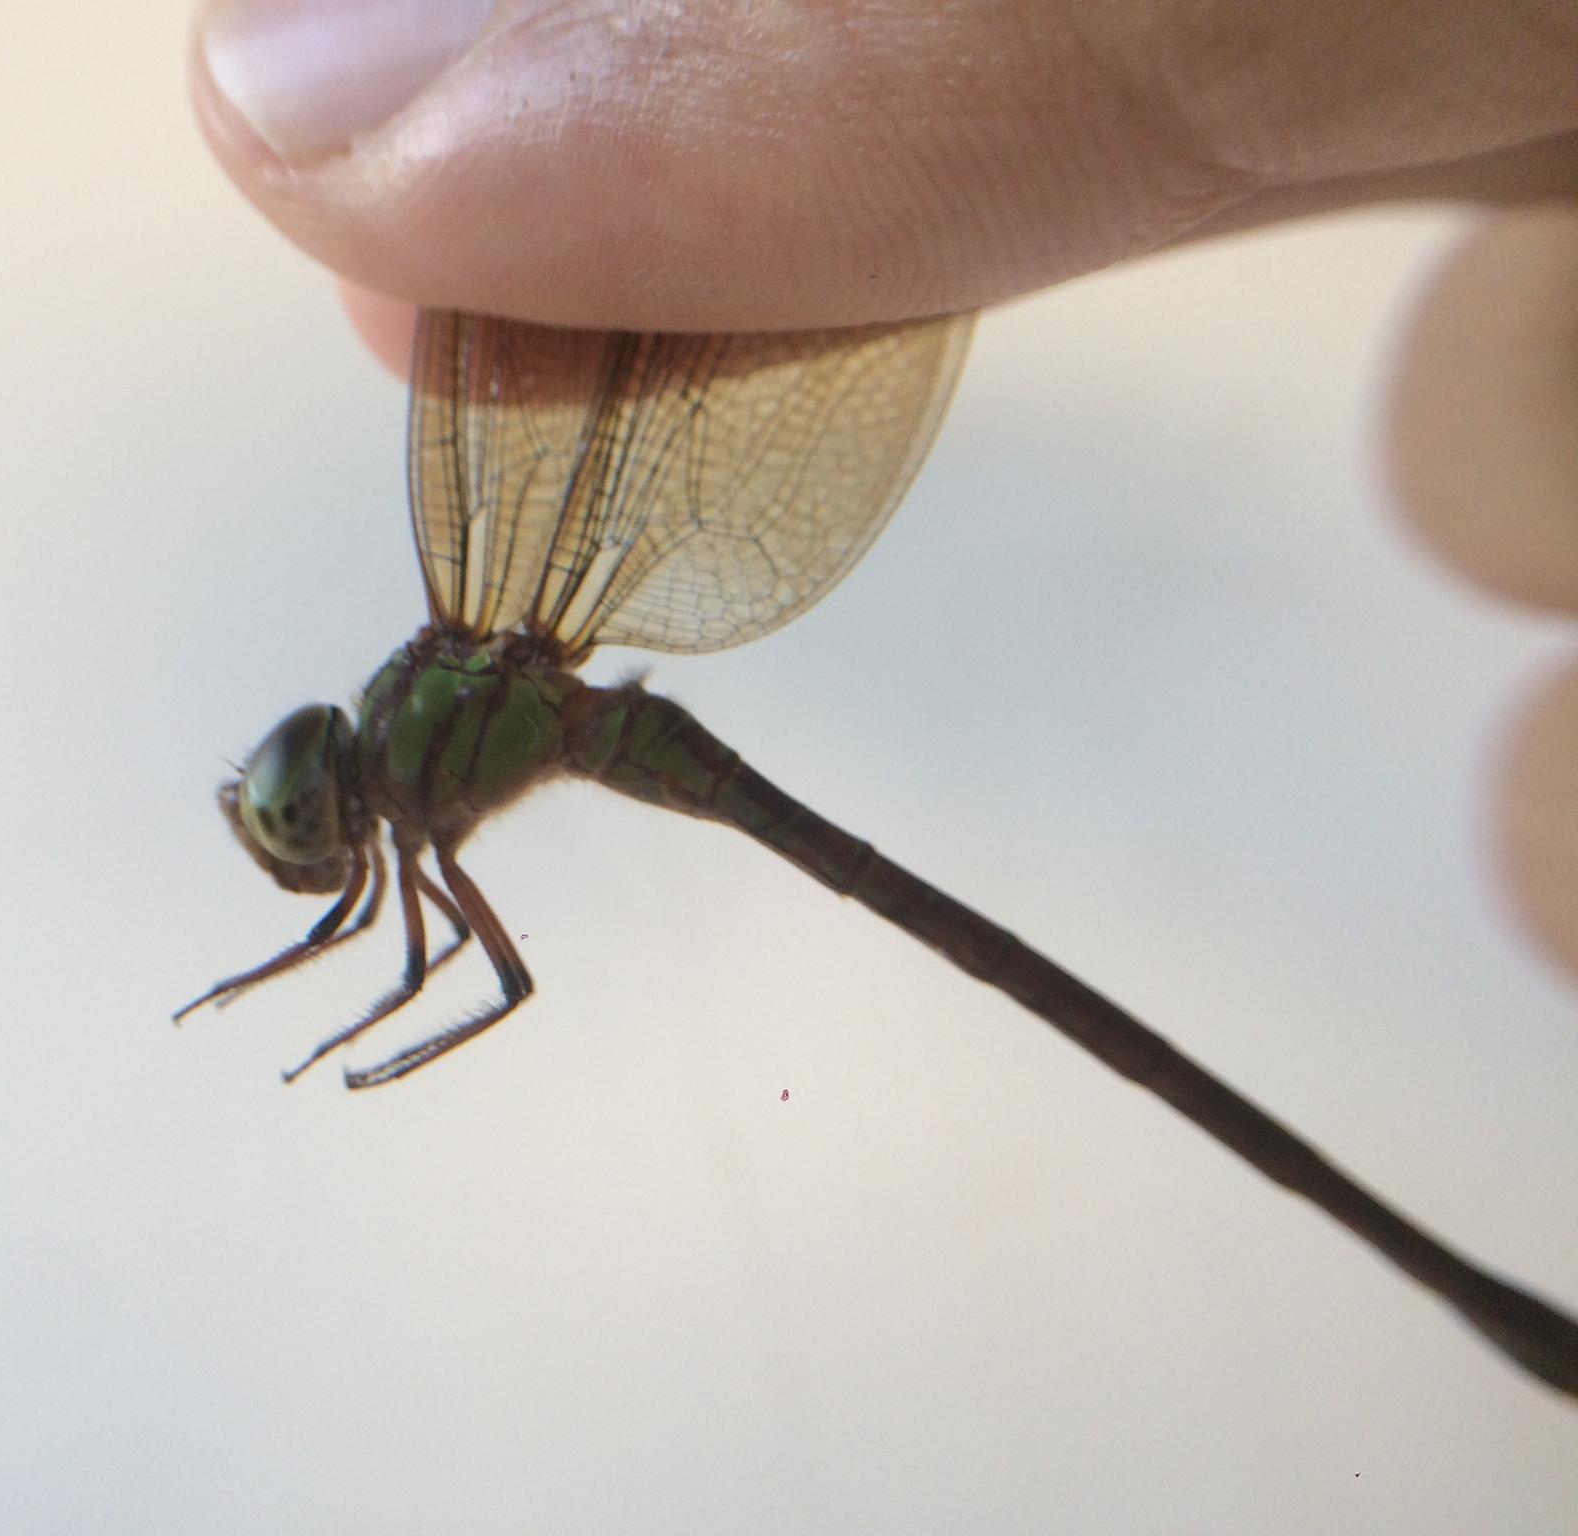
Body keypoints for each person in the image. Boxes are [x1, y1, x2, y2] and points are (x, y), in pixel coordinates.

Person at [188, 0, 1578, 981]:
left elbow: (455, 969)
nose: (300, 832)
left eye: (294, 818)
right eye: (289, 815)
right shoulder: (430, 745)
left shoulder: (424, 759)